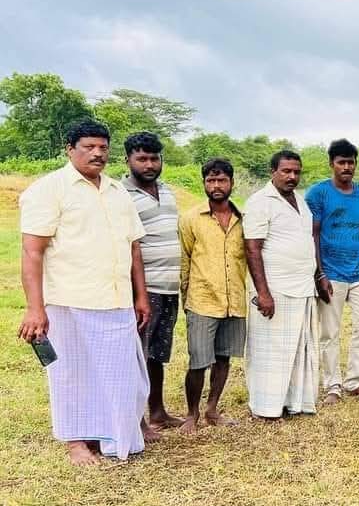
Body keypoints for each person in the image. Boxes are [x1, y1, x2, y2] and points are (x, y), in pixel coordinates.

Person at [18, 119, 150, 465]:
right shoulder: (49, 190)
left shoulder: (118, 192)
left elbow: (134, 247)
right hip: (69, 301)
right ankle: (76, 442)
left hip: (116, 300)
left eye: (103, 147)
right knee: (71, 373)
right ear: (69, 149)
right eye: (89, 147)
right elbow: (32, 252)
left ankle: (112, 437)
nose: (97, 153)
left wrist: (140, 296)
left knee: (122, 375)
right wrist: (35, 309)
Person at [243, 150, 319, 419]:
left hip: (302, 287)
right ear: (272, 172)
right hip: (274, 289)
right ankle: (266, 407)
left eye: (296, 172)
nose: (292, 176)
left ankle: (293, 403)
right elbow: (252, 248)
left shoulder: (300, 201)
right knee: (270, 351)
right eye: (286, 171)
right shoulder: (260, 202)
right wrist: (263, 293)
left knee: (297, 349)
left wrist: (318, 276)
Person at [307, 139, 359, 404]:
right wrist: (319, 273)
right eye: (341, 162)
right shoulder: (318, 194)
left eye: (351, 162)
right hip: (331, 274)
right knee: (330, 332)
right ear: (332, 164)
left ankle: (354, 381)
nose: (347, 167)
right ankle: (333, 386)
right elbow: (313, 235)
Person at [178, 158, 247, 434]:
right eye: (211, 180)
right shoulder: (190, 219)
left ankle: (212, 409)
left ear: (232, 183)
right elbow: (185, 260)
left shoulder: (244, 219)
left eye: (222, 180)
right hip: (202, 300)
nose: (216, 186)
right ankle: (191, 414)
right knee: (198, 361)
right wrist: (186, 299)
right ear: (204, 183)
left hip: (234, 301)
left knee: (224, 358)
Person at [122, 131, 183, 440]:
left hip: (169, 287)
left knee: (158, 354)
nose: (149, 164)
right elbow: (127, 245)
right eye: (142, 158)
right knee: (138, 354)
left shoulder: (168, 191)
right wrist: (139, 294)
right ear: (128, 160)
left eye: (154, 158)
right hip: (144, 290)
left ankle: (157, 412)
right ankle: (137, 421)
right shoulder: (121, 194)